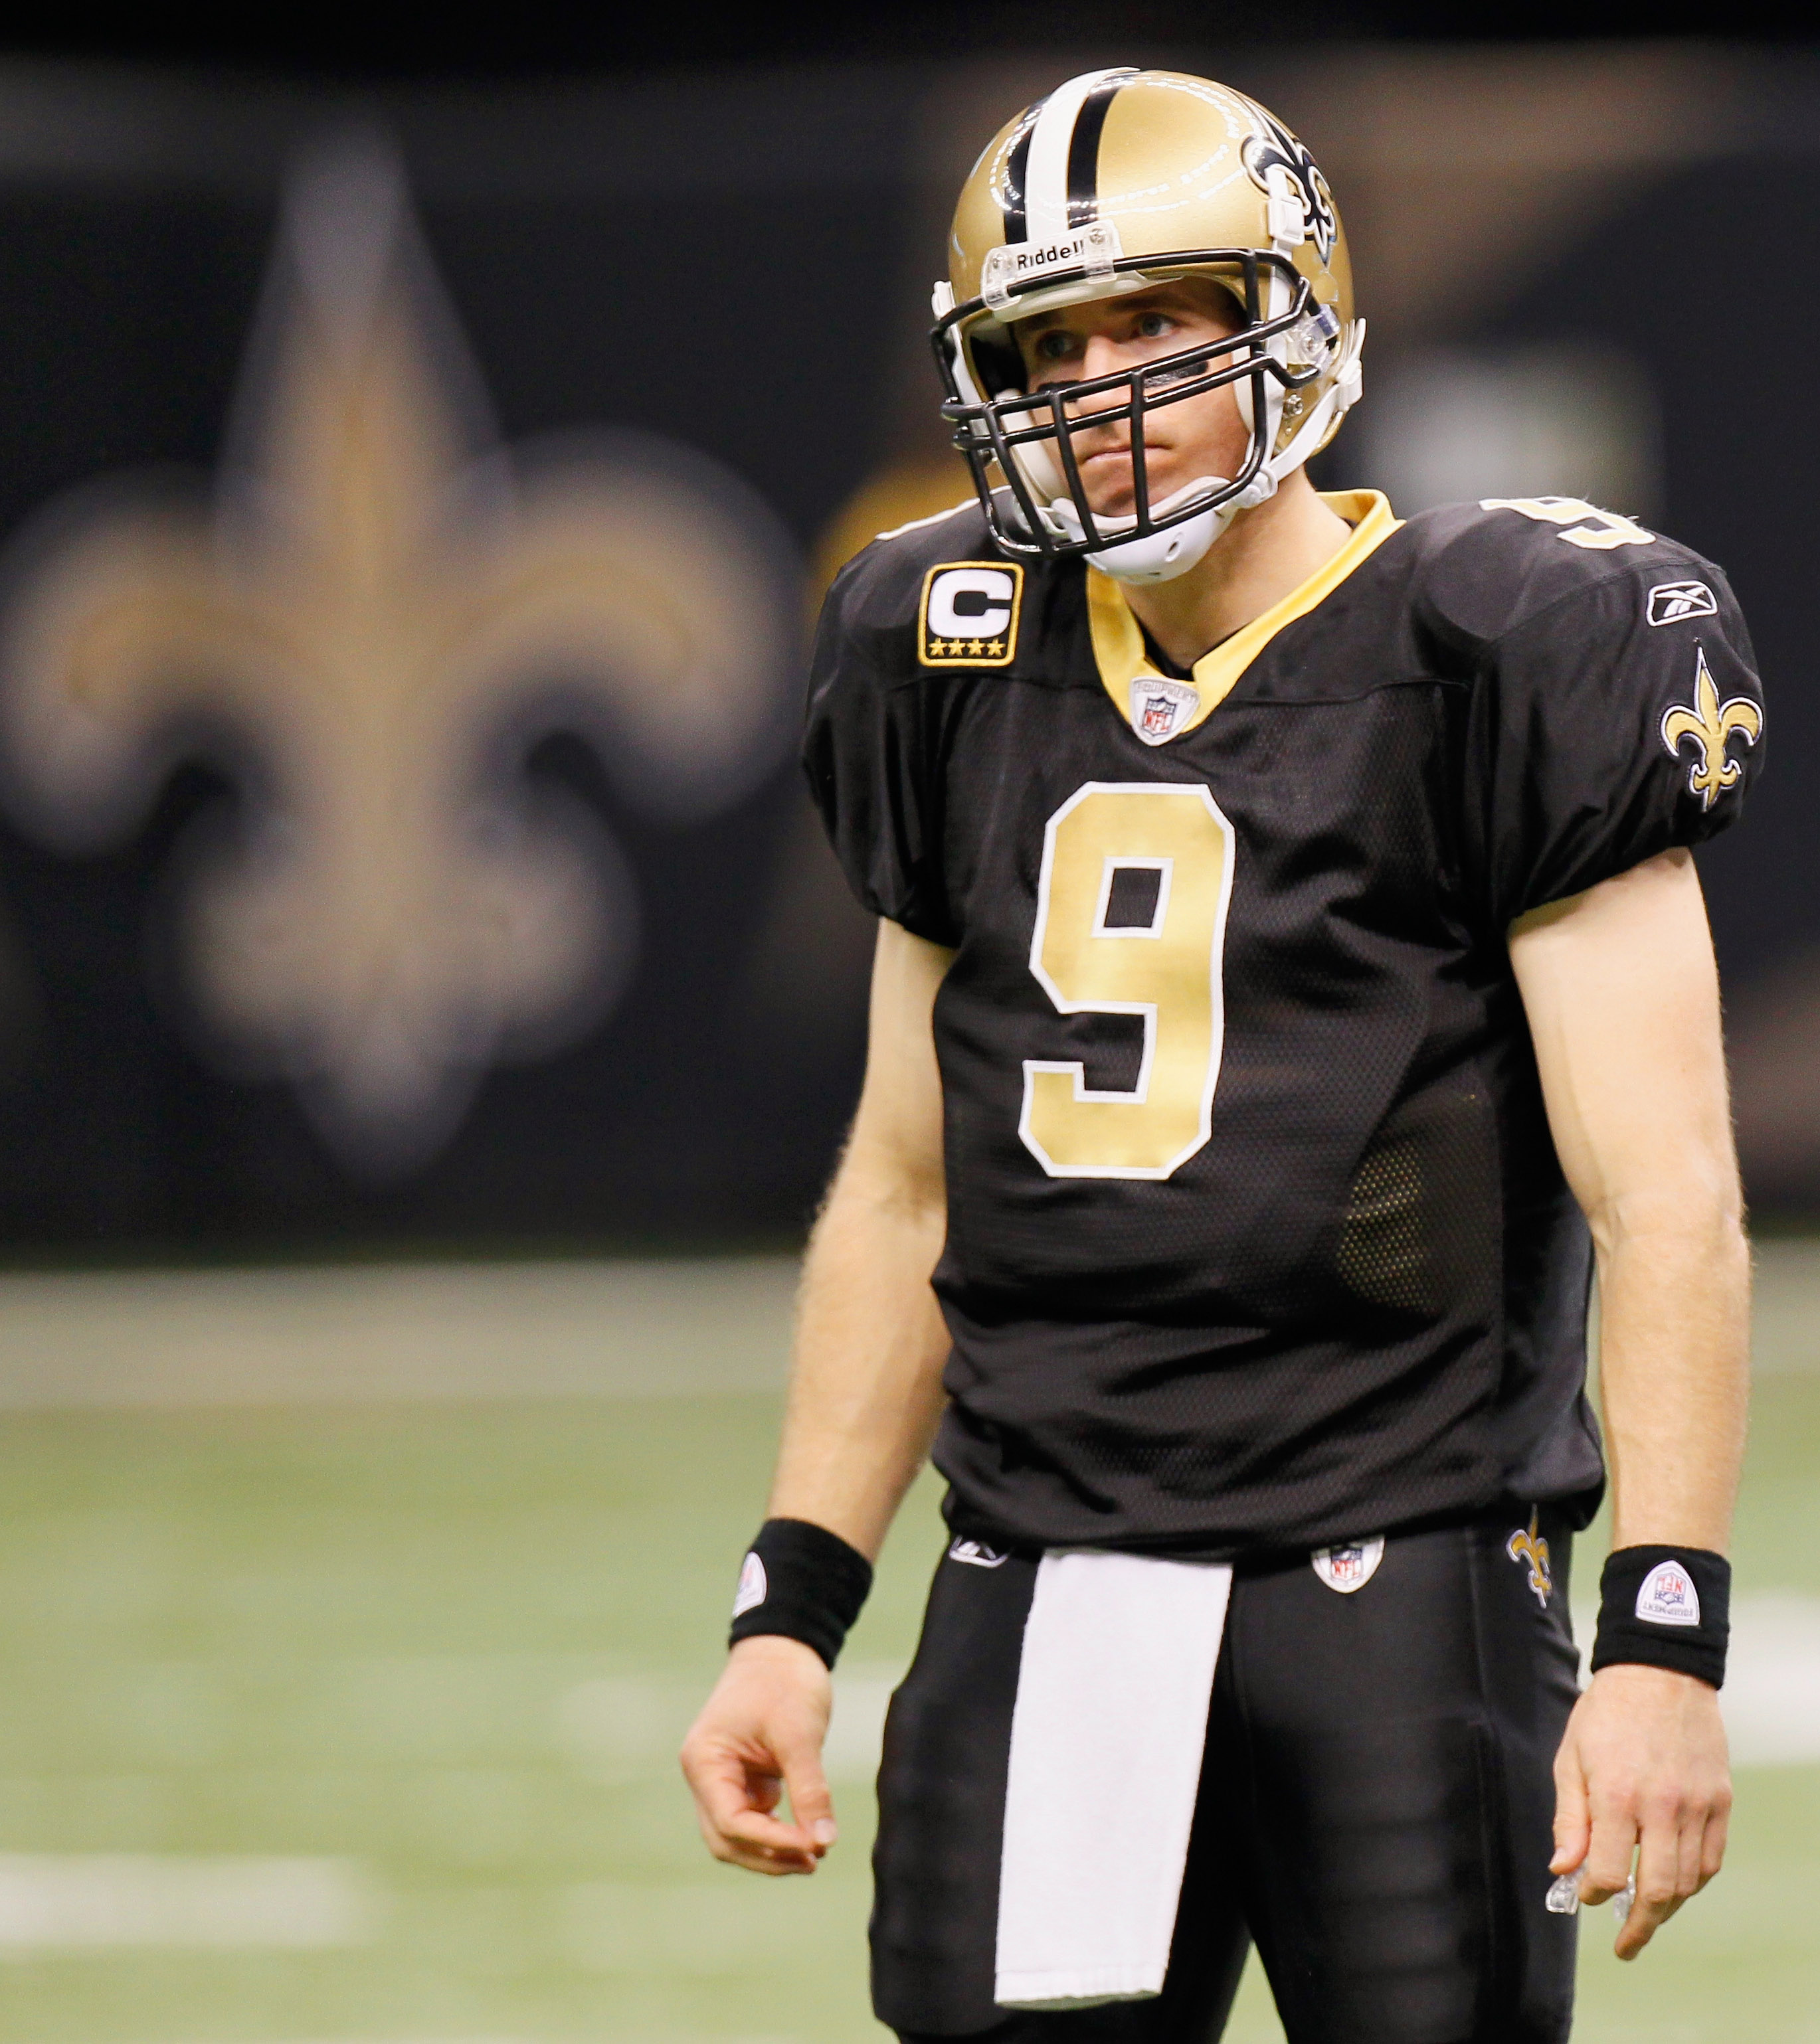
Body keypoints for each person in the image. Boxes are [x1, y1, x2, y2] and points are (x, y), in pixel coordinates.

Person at [678, 68, 1762, 2044]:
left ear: (1300, 316)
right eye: (1045, 342)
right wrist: (791, 1606)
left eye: (1156, 324)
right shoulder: (943, 638)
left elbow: (1665, 1192)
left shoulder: (1505, 636)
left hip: (1401, 1575)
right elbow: (908, 1177)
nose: (1096, 389)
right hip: (1041, 1568)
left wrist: (1663, 1633)